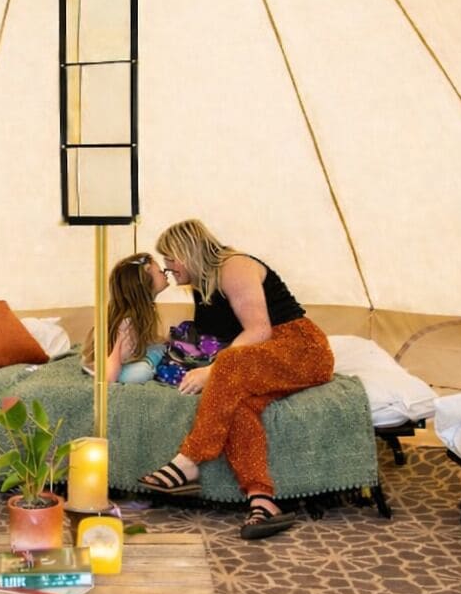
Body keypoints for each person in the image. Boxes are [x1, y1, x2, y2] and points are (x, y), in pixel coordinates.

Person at [138, 219, 334, 539]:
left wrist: (213, 370)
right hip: (262, 360)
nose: (167, 267)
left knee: (227, 363)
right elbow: (216, 341)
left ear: (185, 253)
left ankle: (189, 460)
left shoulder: (233, 266)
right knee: (239, 407)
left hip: (301, 349)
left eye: (169, 259)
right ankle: (262, 501)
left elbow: (258, 330)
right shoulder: (202, 286)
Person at [83, 252, 169, 384]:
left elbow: (147, 342)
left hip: (123, 361)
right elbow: (109, 376)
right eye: (160, 271)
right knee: (141, 372)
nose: (165, 273)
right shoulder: (123, 325)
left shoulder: (143, 314)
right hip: (112, 368)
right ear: (145, 279)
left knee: (160, 345)